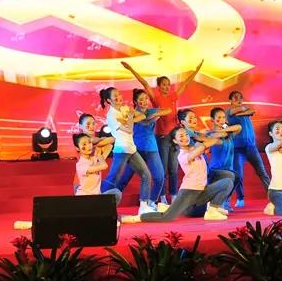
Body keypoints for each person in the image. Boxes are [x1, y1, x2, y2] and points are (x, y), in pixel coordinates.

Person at [121, 59, 204, 205]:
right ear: (159, 87)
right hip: (162, 137)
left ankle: (175, 196)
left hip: (175, 137)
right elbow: (145, 84)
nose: (166, 87)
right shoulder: (155, 98)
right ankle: (163, 197)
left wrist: (196, 71)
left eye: (168, 84)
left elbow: (185, 84)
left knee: (174, 169)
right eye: (163, 84)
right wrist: (131, 69)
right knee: (163, 170)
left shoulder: (173, 97)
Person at [123, 126, 232, 223]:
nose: (185, 137)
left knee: (227, 182)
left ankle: (213, 209)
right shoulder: (182, 155)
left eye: (186, 134)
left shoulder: (196, 146)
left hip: (202, 191)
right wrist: (209, 137)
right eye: (181, 136)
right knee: (167, 217)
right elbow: (204, 146)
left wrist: (208, 136)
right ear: (175, 141)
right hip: (189, 192)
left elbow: (212, 141)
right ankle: (136, 218)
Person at [98, 87, 154, 216]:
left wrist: (129, 118)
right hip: (122, 149)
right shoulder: (111, 115)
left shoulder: (124, 108)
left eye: (119, 94)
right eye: (115, 96)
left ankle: (144, 207)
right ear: (109, 100)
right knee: (113, 179)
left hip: (131, 148)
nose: (119, 97)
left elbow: (142, 115)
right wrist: (130, 117)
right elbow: (129, 130)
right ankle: (99, 203)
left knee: (146, 175)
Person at [227, 90, 271, 208]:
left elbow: (252, 111)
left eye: (240, 97)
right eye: (235, 97)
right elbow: (244, 110)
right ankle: (240, 198)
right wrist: (243, 112)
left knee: (262, 172)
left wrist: (242, 113)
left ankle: (273, 196)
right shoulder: (228, 112)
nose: (238, 99)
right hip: (237, 149)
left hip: (251, 147)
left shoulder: (246, 110)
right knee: (238, 175)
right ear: (230, 101)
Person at [206, 107, 241, 208]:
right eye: (218, 117)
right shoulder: (210, 134)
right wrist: (220, 133)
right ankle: (215, 204)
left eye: (223, 117)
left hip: (229, 168)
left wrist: (224, 129)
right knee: (232, 177)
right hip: (216, 169)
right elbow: (211, 138)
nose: (221, 120)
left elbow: (239, 127)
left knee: (235, 178)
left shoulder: (229, 134)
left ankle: (224, 202)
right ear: (212, 119)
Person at [72, 133, 122, 205]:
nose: (88, 146)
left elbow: (111, 141)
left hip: (97, 197)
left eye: (89, 142)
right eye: (84, 144)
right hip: (84, 199)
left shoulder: (95, 158)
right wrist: (99, 154)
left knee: (117, 193)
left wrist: (99, 139)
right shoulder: (81, 165)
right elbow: (104, 166)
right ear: (77, 148)